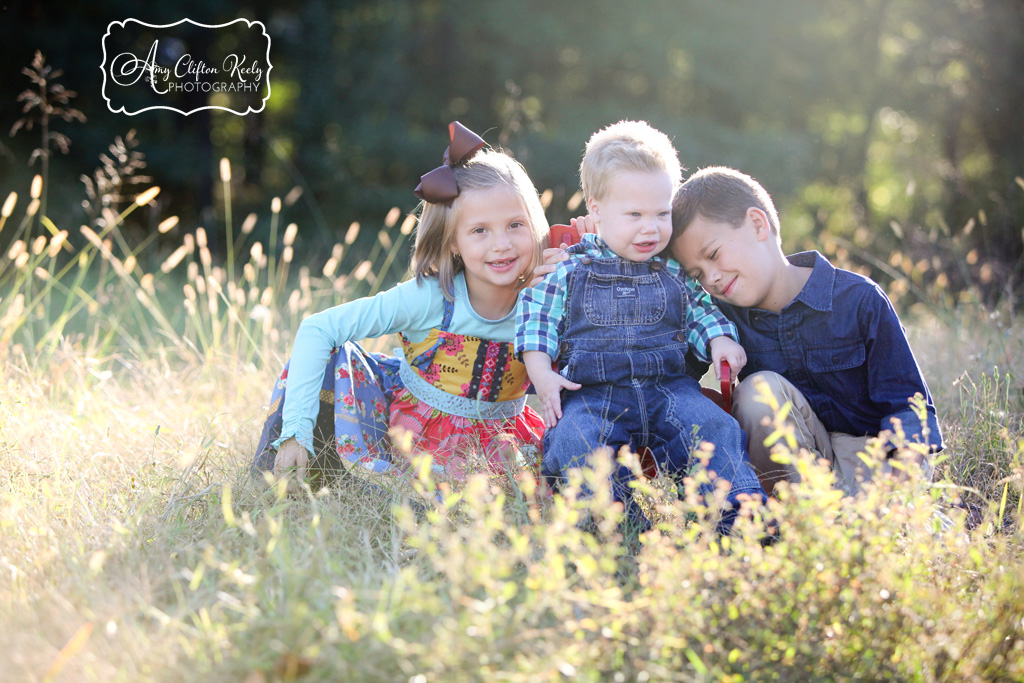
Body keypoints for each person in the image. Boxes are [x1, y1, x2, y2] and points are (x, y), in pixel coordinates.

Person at [253, 122, 548, 487]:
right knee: (332, 357)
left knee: (509, 507)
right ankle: (300, 475)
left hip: (501, 441)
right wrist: (297, 430)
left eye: (515, 225)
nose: (501, 243)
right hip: (411, 432)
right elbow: (318, 328)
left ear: (535, 226)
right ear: (453, 242)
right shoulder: (430, 297)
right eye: (480, 230)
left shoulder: (545, 298)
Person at [516, 121, 766, 530]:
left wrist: (720, 340)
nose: (651, 227)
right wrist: (542, 373)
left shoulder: (674, 271)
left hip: (668, 389)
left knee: (716, 426)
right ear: (596, 210)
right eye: (634, 214)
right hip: (592, 395)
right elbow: (535, 320)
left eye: (661, 213)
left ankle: (740, 521)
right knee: (574, 441)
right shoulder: (569, 269)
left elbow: (701, 310)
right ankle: (618, 529)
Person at [669, 166, 943, 496]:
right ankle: (802, 520)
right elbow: (668, 377)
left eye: (713, 254)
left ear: (758, 225)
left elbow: (908, 407)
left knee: (890, 521)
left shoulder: (858, 300)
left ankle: (877, 522)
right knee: (759, 392)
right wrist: (607, 242)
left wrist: (903, 481)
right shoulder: (720, 324)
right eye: (698, 274)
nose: (710, 278)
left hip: (875, 464)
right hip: (796, 480)